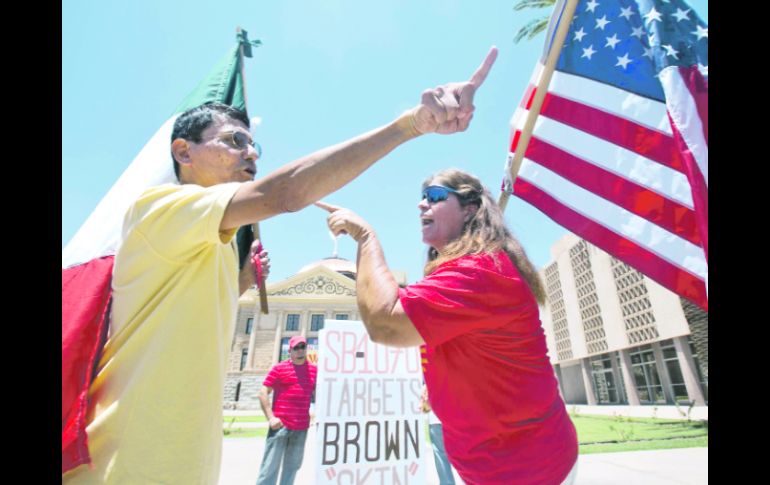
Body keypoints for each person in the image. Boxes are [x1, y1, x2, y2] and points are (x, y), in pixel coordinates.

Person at [62, 48, 498, 485]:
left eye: (255, 144)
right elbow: (285, 194)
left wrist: (242, 283)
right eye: (235, 140)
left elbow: (181, 318)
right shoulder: (158, 207)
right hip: (125, 465)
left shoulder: (213, 244)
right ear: (183, 151)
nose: (251, 152)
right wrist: (410, 125)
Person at [317, 168, 579, 485]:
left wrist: (365, 237)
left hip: (528, 469)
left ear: (470, 209)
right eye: (422, 197)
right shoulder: (471, 268)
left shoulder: (479, 270)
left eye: (436, 196)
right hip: (503, 463)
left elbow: (384, 323)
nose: (422, 204)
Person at [256, 336, 317, 485]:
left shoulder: (315, 371)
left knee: (292, 468)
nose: (300, 350)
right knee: (269, 469)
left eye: (303, 347)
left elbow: (320, 394)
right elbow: (263, 392)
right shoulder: (279, 368)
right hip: (280, 427)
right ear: (290, 351)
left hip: (301, 428)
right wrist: (271, 418)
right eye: (296, 348)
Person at [420, 385, 456, 485]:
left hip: (436, 420)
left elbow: (425, 404)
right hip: (454, 420)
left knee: (442, 460)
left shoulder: (429, 377)